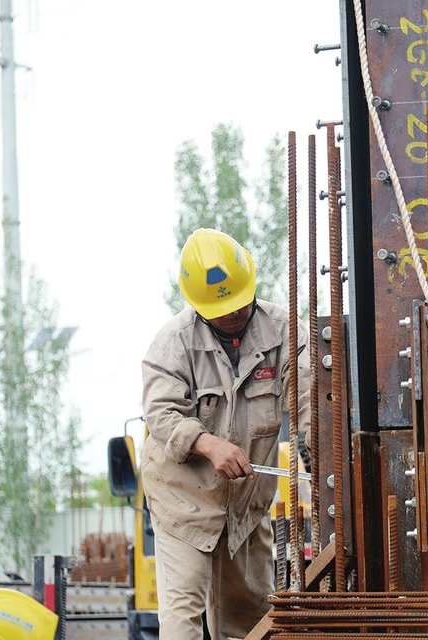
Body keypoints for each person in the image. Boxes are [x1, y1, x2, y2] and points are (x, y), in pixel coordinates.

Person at [141, 228, 310, 639]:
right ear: (196, 306)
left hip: (247, 508)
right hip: (184, 504)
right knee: (182, 623)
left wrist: (318, 457)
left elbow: (312, 403)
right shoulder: (172, 346)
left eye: (239, 304)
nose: (233, 314)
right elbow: (161, 413)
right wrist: (207, 443)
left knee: (249, 624)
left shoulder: (285, 333)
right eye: (221, 310)